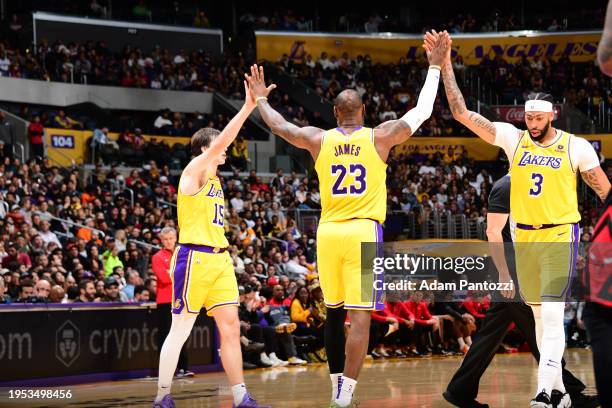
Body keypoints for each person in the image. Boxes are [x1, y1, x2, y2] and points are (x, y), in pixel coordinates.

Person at [246, 30, 447, 407]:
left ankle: (336, 383)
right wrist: (434, 67)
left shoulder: (319, 138)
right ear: (364, 113)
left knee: (334, 313)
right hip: (362, 231)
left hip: (328, 232)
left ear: (336, 113)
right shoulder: (380, 136)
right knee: (361, 316)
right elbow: (420, 113)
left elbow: (278, 125)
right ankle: (345, 395)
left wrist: (259, 98)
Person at [429, 30, 611, 408]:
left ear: (552, 116)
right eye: (527, 117)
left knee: (553, 313)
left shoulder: (575, 146)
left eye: (538, 117)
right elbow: (462, 113)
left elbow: (606, 192)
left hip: (561, 234)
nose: (531, 122)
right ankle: (559, 392)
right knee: (542, 321)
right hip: (523, 239)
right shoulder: (513, 139)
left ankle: (544, 392)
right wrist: (446, 65)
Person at [152, 79, 268, 408]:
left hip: (220, 261)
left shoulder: (216, 180)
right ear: (206, 149)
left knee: (230, 328)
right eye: (219, 145)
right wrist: (248, 107)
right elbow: (224, 141)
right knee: (180, 330)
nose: (226, 149)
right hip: (195, 259)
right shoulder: (193, 172)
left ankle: (240, 396)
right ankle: (162, 397)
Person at [443, 175, 598, 408]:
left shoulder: (528, 186)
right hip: (511, 274)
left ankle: (459, 390)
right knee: (541, 332)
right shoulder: (505, 187)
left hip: (521, 270)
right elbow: (494, 235)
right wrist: (505, 277)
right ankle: (569, 392)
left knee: (490, 336)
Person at [152, 227, 193, 378]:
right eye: (166, 239)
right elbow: (164, 278)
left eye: (171, 238)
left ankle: (183, 368)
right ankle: (165, 371)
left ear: (175, 238)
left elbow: (189, 274)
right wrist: (180, 274)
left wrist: (174, 273)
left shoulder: (182, 254)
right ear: (161, 241)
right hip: (165, 301)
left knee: (181, 334)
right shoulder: (157, 257)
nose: (169, 241)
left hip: (180, 300)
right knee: (165, 336)